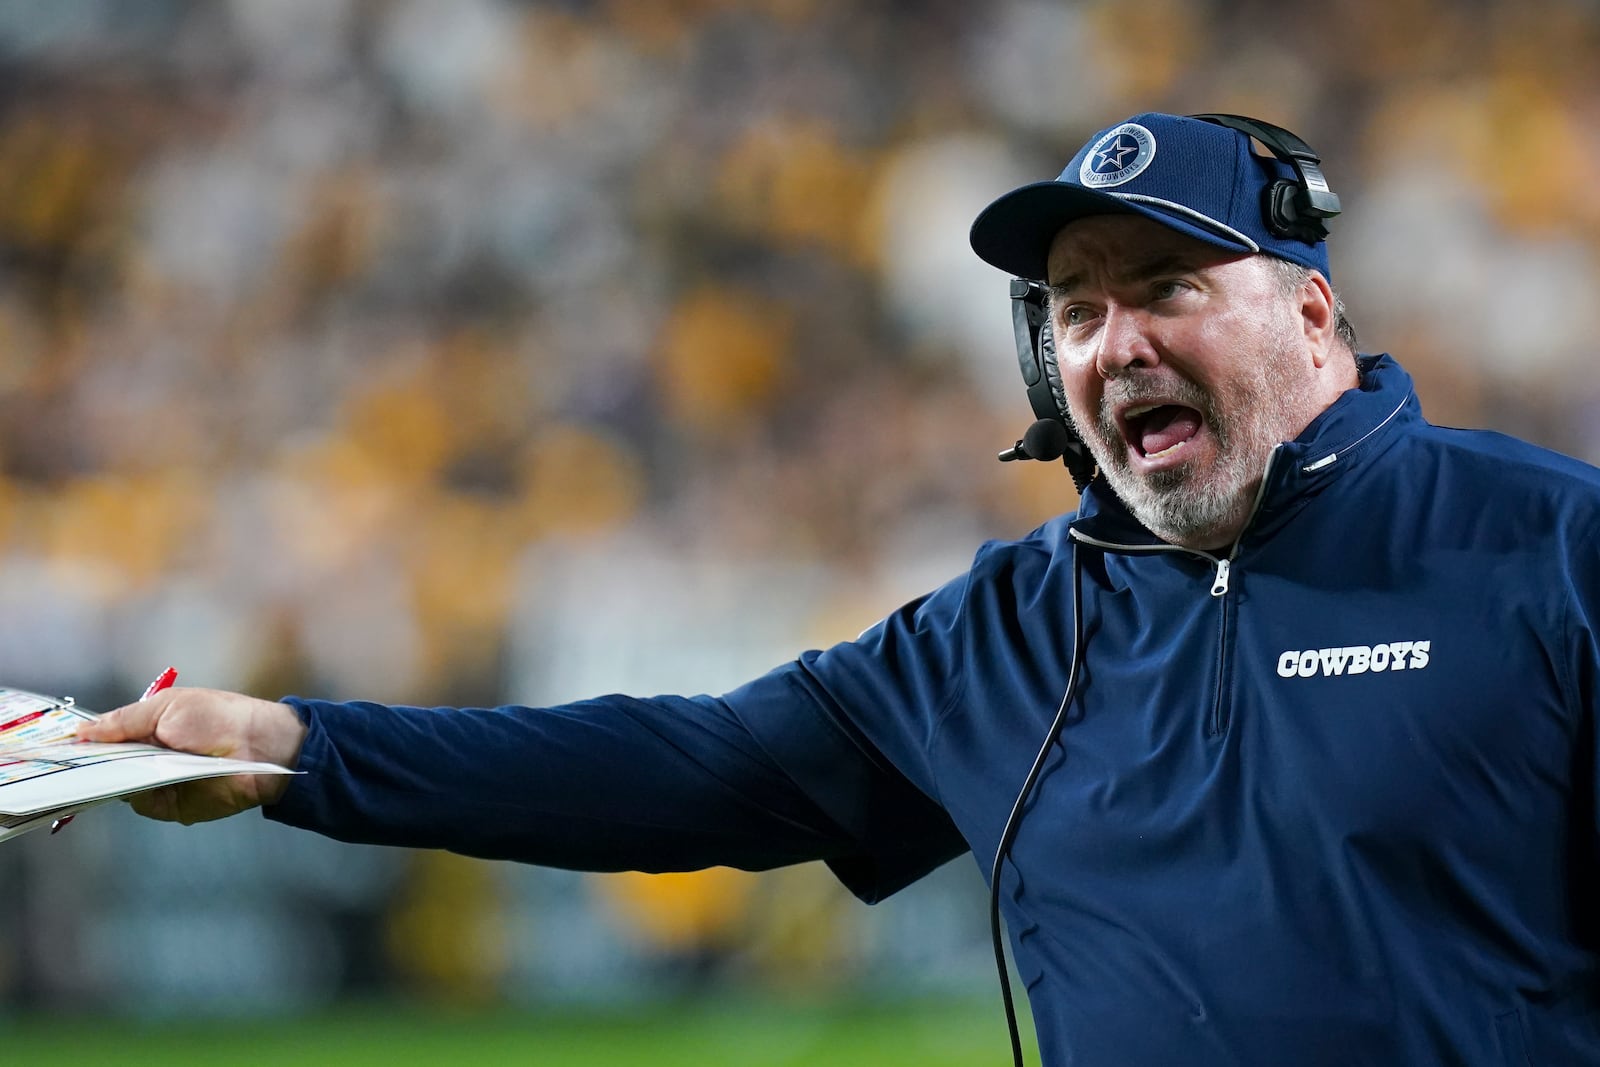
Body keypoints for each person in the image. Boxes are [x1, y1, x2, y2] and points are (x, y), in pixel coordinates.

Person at [79, 112, 1600, 1064]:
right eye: (1076, 308)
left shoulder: (1541, 546)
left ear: (1314, 315)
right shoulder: (1013, 631)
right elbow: (688, 769)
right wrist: (297, 753)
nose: (1114, 341)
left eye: (1169, 289)